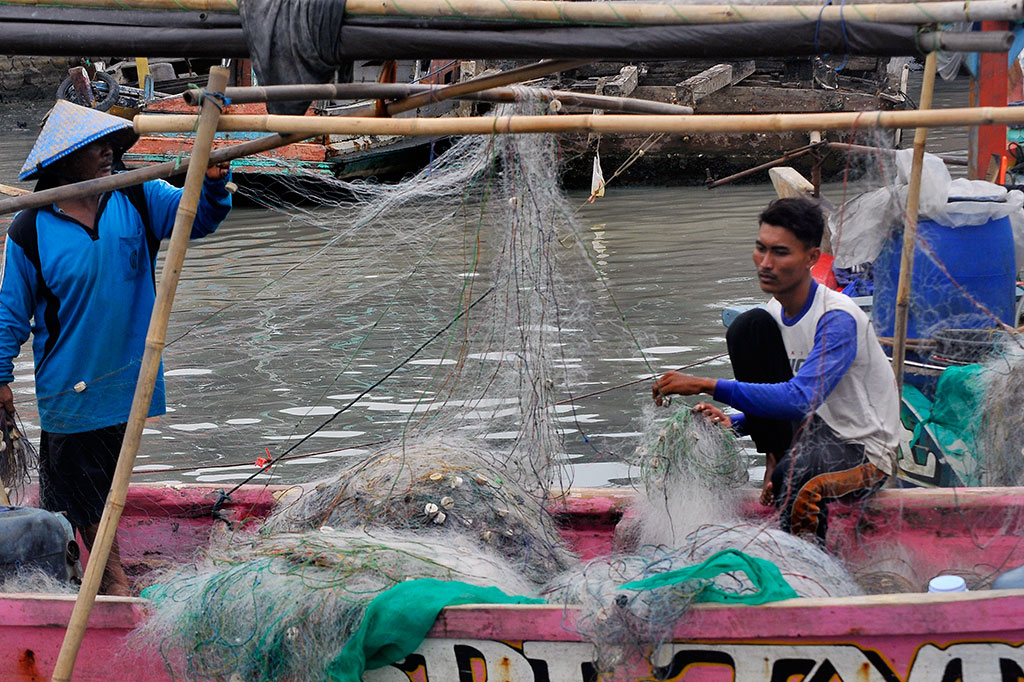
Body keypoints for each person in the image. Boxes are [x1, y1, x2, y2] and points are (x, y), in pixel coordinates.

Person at [0, 101, 232, 595]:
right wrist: (0, 378)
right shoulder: (29, 230)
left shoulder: (139, 196)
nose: (108, 152)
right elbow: (10, 315)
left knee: (99, 487)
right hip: (69, 390)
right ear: (64, 160)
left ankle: (112, 583)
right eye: (94, 146)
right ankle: (108, 583)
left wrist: (212, 180)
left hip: (128, 379)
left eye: (110, 143)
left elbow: (199, 218)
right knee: (76, 498)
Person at [652, 197, 900, 542]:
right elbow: (788, 394)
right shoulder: (773, 310)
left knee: (797, 479)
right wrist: (736, 422)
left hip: (864, 450)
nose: (765, 263)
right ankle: (777, 455)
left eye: (780, 253)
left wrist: (706, 384)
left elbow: (799, 399)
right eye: (760, 249)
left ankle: (811, 571)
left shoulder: (836, 319)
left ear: (812, 258)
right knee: (747, 327)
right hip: (815, 431)